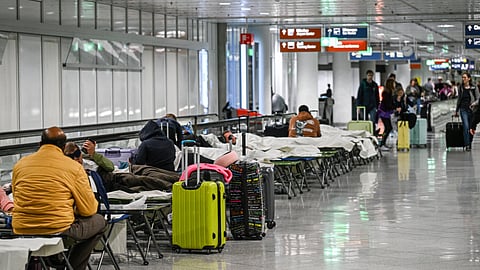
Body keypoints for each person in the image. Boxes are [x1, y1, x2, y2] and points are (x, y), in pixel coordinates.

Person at [11, 126, 106, 270]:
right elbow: (88, 209)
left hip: (21, 228)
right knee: (99, 221)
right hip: (57, 229)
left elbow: (17, 196)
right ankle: (72, 266)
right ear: (63, 147)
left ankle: (53, 260)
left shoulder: (20, 165)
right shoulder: (74, 167)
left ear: (40, 144)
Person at [454, 72, 480, 151]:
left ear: (469, 78)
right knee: (466, 126)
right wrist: (456, 110)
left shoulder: (474, 87)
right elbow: (459, 99)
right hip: (463, 109)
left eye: (465, 77)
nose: (463, 79)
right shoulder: (461, 88)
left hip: (472, 110)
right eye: (462, 77)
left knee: (471, 127)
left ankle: (470, 141)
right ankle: (467, 144)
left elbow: (478, 99)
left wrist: (473, 104)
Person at [377, 79, 395, 151]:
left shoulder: (388, 92)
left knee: (388, 128)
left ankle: (382, 143)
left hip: (385, 113)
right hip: (384, 113)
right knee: (388, 128)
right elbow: (388, 104)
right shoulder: (387, 93)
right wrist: (394, 107)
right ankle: (382, 144)